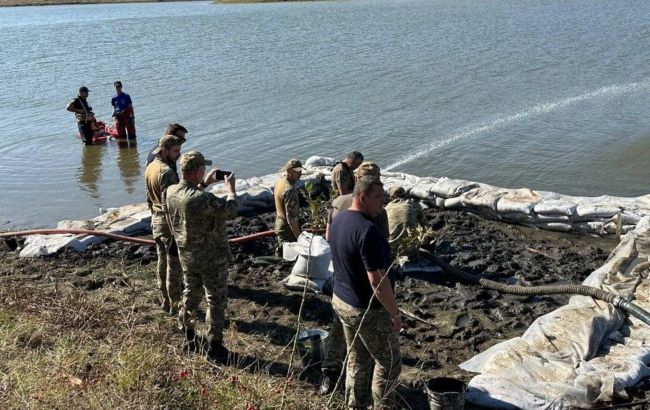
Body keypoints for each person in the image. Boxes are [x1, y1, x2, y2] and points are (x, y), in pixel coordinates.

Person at [329, 176, 402, 409]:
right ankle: (382, 406)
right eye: (379, 198)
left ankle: (355, 404)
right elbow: (377, 281)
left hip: (342, 301)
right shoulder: (368, 231)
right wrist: (394, 313)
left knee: (358, 358)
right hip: (366, 309)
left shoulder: (339, 219)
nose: (384, 203)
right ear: (363, 197)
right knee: (389, 363)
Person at [320, 161, 389, 396]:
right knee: (378, 356)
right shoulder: (375, 215)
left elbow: (328, 237)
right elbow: (379, 260)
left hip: (340, 283)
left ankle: (329, 376)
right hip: (363, 294)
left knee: (340, 334)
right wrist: (394, 311)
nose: (382, 201)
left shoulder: (338, 204)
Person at [165, 151, 239, 362]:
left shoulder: (170, 192)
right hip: (211, 258)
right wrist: (231, 189)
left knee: (191, 294)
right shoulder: (202, 199)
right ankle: (215, 346)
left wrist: (204, 184)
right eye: (203, 169)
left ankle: (188, 336)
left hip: (187, 255)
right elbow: (231, 210)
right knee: (215, 300)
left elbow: (190, 200)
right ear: (197, 171)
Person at [144, 135, 183, 315]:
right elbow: (172, 203)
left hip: (156, 220)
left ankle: (165, 300)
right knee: (173, 265)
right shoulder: (167, 172)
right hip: (168, 223)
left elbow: (149, 198)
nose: (178, 155)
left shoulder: (151, 166)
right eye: (175, 151)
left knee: (162, 261)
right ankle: (175, 303)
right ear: (165, 150)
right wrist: (177, 230)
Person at [273, 159, 304, 251]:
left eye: (301, 171)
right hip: (286, 228)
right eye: (297, 171)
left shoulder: (280, 182)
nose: (300, 174)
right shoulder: (290, 190)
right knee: (289, 254)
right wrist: (299, 237)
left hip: (278, 223)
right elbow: (291, 218)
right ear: (289, 171)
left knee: (281, 249)